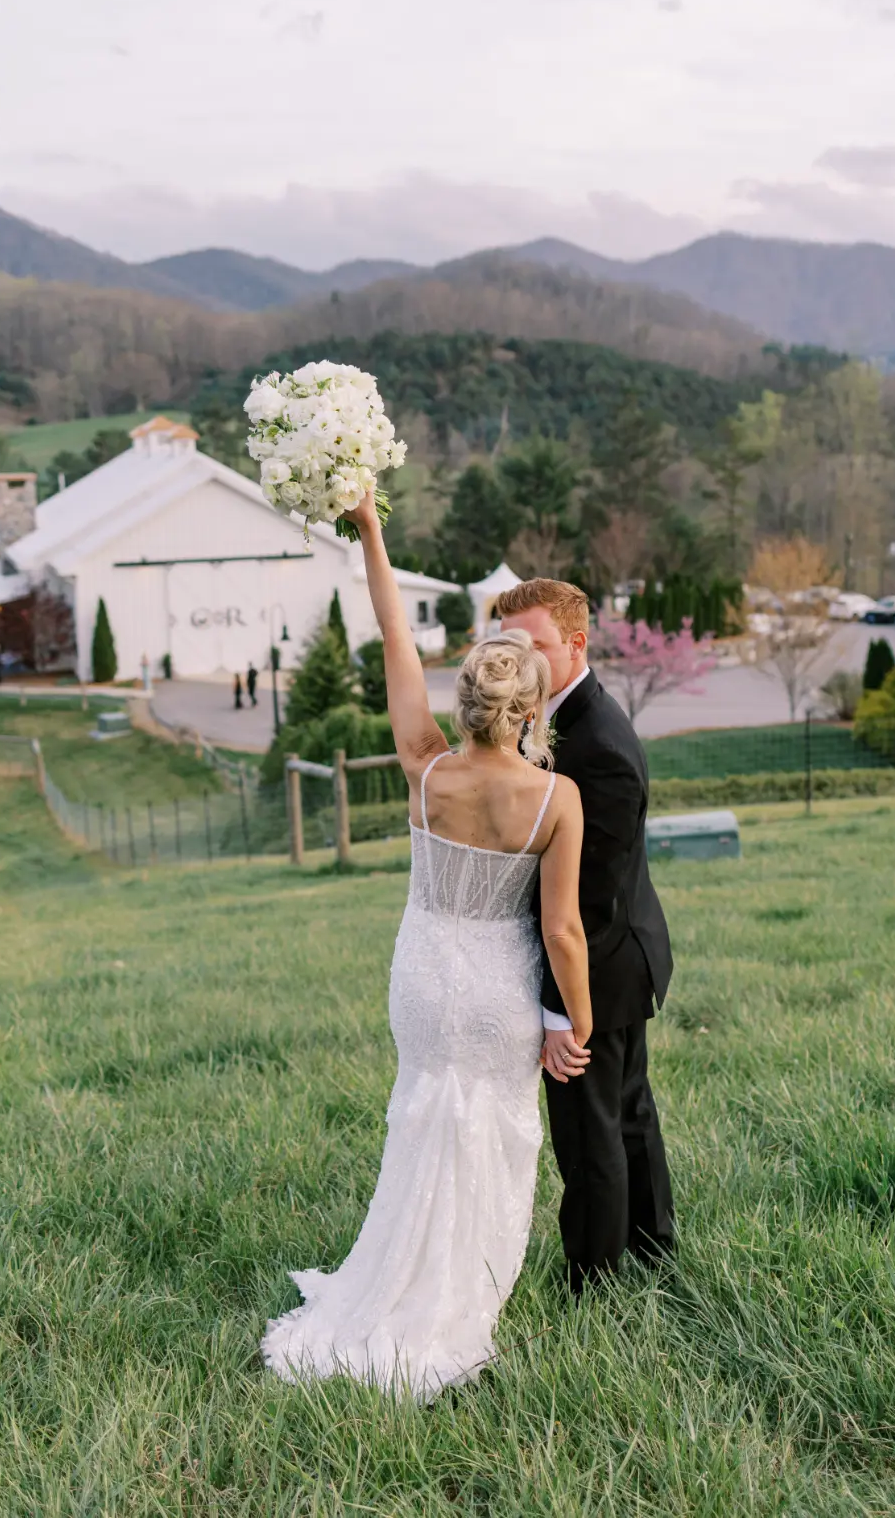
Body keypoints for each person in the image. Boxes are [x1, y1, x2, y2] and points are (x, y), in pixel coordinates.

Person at [262, 492, 590, 1401]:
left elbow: (393, 636)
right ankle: (455, 1298)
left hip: (420, 975)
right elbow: (561, 930)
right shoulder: (554, 798)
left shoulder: (427, 765)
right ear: (529, 707)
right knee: (488, 1133)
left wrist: (371, 530)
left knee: (421, 1120)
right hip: (495, 988)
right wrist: (579, 1025)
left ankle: (391, 1283)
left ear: (469, 699)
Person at [499, 577, 675, 1296]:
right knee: (628, 1110)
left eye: (534, 646)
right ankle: (652, 1245)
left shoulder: (597, 743)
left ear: (576, 643)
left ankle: (595, 1282)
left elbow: (582, 909)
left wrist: (559, 1013)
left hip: (600, 962)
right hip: (623, 949)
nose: (521, 661)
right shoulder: (558, 719)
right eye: (508, 646)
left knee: (590, 1127)